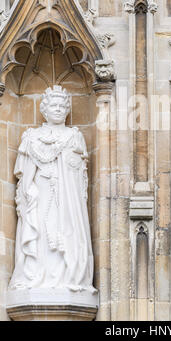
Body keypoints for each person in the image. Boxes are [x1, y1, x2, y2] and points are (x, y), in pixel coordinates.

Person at [9, 86, 96, 292]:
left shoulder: (74, 136)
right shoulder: (32, 137)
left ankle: (68, 278)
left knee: (65, 231)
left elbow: (79, 173)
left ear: (67, 110)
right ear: (44, 110)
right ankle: (34, 278)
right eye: (53, 105)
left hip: (66, 196)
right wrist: (29, 189)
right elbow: (26, 171)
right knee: (39, 233)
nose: (57, 109)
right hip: (41, 192)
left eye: (61, 106)